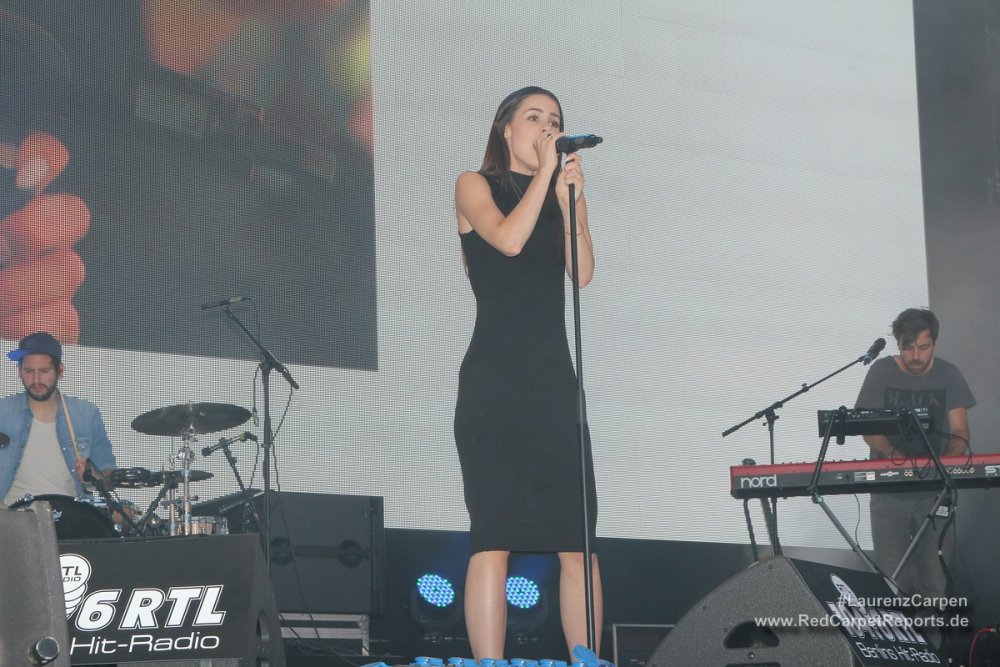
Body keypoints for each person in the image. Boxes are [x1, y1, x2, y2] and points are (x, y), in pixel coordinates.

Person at [453, 86, 600, 659]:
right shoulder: (474, 185)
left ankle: (586, 658)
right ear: (506, 129)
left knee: (577, 541)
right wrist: (544, 176)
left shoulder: (557, 192)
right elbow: (509, 241)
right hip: (494, 383)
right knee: (493, 538)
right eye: (534, 117)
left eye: (555, 120)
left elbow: (581, 273)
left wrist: (573, 201)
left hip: (553, 383)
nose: (547, 128)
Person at [855, 308, 975, 598]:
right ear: (898, 344)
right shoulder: (881, 371)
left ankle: (930, 631)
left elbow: (960, 430)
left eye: (924, 347)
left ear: (935, 343)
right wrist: (899, 459)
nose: (916, 356)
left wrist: (942, 465)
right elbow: (868, 430)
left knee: (934, 581)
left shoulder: (949, 373)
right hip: (888, 492)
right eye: (908, 348)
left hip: (934, 492)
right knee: (892, 579)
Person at [0, 331, 116, 506]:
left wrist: (93, 476)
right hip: (13, 514)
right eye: (29, 371)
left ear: (60, 370)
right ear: (19, 371)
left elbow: (109, 477)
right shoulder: (2, 412)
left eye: (44, 371)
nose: (36, 379)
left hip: (71, 515)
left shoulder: (86, 414)